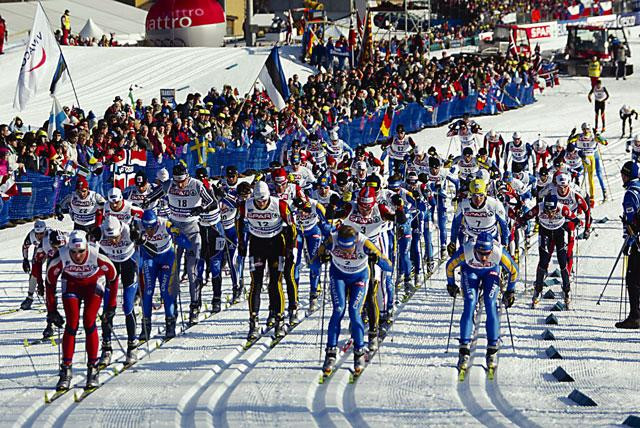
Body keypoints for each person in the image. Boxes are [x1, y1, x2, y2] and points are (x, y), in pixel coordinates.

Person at [143, 162, 216, 325]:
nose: (180, 185)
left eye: (182, 181)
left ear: (188, 176)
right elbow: (151, 197)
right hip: (174, 230)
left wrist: (201, 209)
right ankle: (171, 310)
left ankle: (195, 305)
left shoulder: (196, 185)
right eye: (177, 181)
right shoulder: (169, 185)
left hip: (191, 231)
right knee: (171, 272)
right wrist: (145, 204)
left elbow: (212, 202)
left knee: (192, 271)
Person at [45, 230, 118, 391]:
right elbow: (49, 283)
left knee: (89, 322)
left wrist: (111, 306)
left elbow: (113, 276)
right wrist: (51, 310)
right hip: (71, 284)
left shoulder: (95, 254)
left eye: (81, 252)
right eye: (73, 252)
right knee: (71, 324)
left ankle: (92, 367)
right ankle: (66, 368)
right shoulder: (61, 256)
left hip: (93, 284)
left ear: (86, 248)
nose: (77, 256)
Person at [316, 225, 392, 376]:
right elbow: (314, 261)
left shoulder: (364, 243)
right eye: (342, 249)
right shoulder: (332, 239)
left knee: (354, 311)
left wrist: (376, 258)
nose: (346, 252)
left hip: (359, 276)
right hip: (338, 275)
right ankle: (330, 352)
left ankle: (359, 352)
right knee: (338, 310)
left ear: (355, 241)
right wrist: (321, 257)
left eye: (349, 248)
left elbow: (388, 266)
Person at [446, 231, 518, 373]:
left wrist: (510, 290)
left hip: (491, 273)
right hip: (470, 272)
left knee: (491, 303)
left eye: (487, 254)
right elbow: (449, 266)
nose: (484, 258)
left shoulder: (499, 253)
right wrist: (451, 284)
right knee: (470, 303)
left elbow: (514, 270)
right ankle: (464, 350)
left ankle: (492, 349)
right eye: (480, 253)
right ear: (475, 249)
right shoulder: (466, 251)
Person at [237, 181, 297, 341]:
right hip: (257, 245)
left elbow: (292, 227)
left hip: (276, 244)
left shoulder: (280, 205)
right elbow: (239, 222)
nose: (261, 203)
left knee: (275, 282)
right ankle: (254, 321)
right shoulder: (246, 205)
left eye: (263, 200)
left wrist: (291, 248)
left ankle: (279, 318)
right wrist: (241, 243)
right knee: (256, 283)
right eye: (258, 201)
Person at [518, 194, 579, 308]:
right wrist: (522, 223)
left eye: (553, 211)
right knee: (543, 262)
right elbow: (525, 217)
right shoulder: (539, 208)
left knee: (562, 263)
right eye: (547, 211)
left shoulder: (563, 209)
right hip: (545, 232)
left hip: (559, 233)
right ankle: (538, 290)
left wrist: (575, 226)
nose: (550, 214)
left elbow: (575, 220)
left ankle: (566, 291)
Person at [97, 216, 139, 367]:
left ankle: (132, 346)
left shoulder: (128, 230)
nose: (113, 241)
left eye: (115, 237)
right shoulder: (100, 232)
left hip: (128, 264)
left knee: (128, 306)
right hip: (111, 266)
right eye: (110, 238)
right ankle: (106, 348)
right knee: (108, 308)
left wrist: (139, 237)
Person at [138, 209, 178, 340]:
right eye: (147, 227)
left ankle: (170, 323)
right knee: (148, 290)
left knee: (166, 291)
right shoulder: (137, 225)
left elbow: (176, 230)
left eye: (153, 227)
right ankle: (146, 326)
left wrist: (176, 231)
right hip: (149, 258)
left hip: (166, 257)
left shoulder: (163, 223)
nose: (150, 230)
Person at [617, 161, 640, 329]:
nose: (621, 178)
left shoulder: (630, 194)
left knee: (632, 279)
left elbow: (632, 223)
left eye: (623, 174)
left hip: (638, 242)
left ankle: (635, 317)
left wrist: (629, 243)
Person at [20, 219, 48, 310]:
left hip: (52, 251)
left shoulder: (51, 234)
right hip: (40, 251)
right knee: (34, 272)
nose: (39, 236)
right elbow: (25, 246)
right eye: (37, 234)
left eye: (41, 234)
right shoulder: (31, 235)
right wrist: (25, 259)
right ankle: (30, 297)